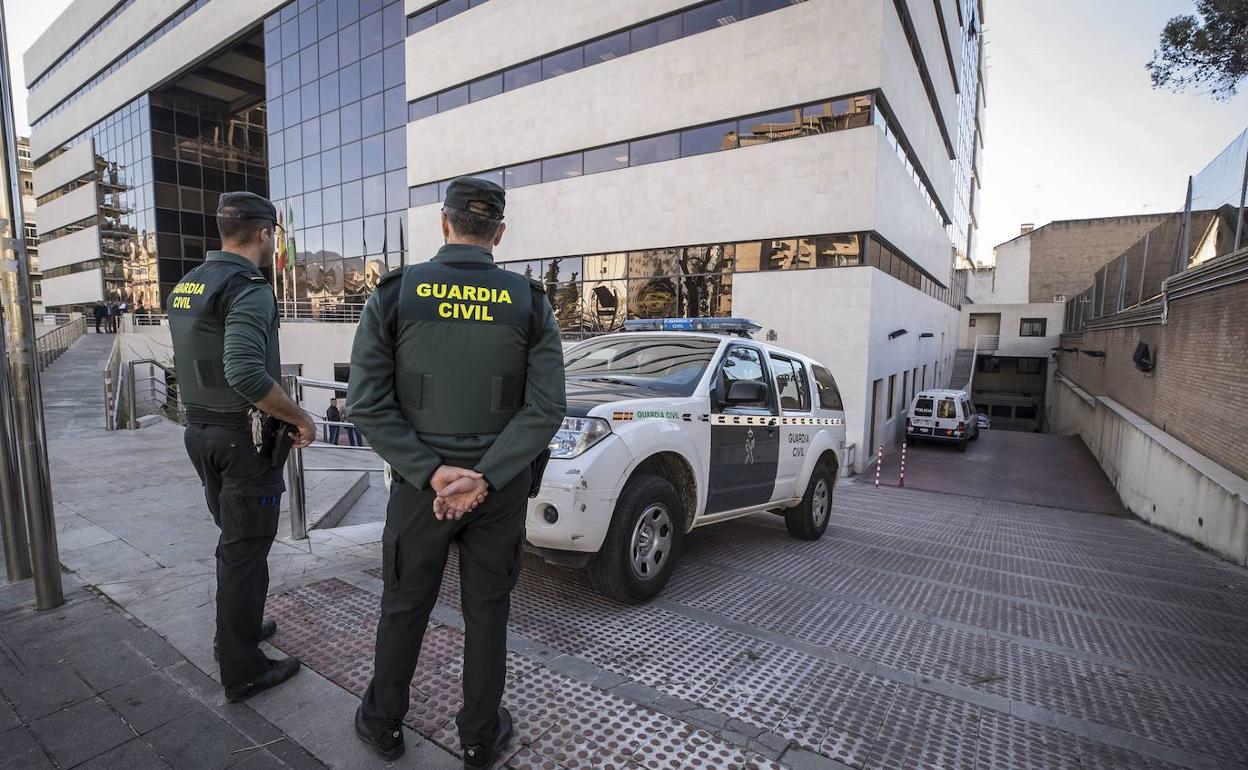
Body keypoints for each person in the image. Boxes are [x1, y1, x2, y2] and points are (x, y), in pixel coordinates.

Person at [349, 178, 565, 766]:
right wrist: (485, 477)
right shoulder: (529, 302)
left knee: (404, 606)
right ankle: (478, 737)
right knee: (487, 613)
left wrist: (431, 472)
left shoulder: (396, 293)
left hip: (422, 491)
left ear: (443, 224)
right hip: (499, 491)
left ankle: (384, 724)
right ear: (499, 232)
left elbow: (366, 402)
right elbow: (545, 407)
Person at [168, 191, 316, 703]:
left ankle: (239, 631)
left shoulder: (189, 283)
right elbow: (246, 373)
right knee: (245, 553)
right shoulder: (248, 287)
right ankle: (243, 668)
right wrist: (300, 417)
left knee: (236, 545)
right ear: (264, 233)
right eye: (274, 235)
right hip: (243, 440)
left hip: (201, 433)